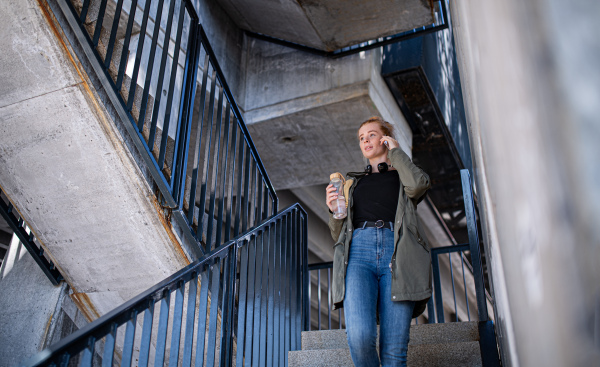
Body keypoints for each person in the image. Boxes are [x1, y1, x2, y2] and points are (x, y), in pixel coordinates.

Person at [326, 116, 432, 366]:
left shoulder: (404, 176)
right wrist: (335, 210)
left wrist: (395, 152)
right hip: (358, 255)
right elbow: (337, 234)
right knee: (360, 338)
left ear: (386, 138)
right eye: (361, 138)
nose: (365, 140)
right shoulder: (352, 184)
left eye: (372, 134)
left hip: (398, 254)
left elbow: (418, 186)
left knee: (394, 350)